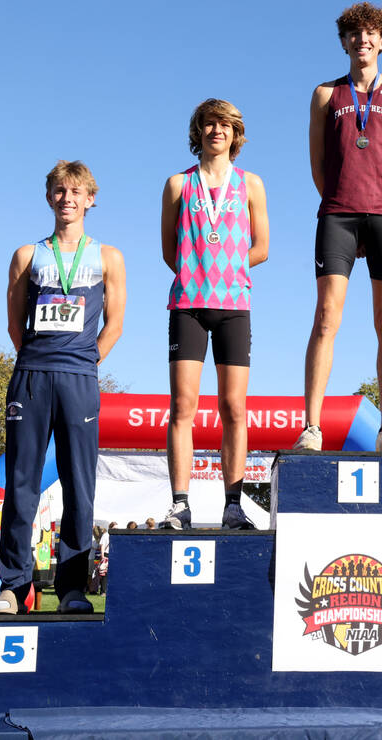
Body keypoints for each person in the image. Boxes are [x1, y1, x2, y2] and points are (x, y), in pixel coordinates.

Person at [0, 161, 126, 614]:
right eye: (60, 191)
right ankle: (13, 586)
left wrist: (84, 362)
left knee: (78, 485)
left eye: (76, 191)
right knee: (21, 483)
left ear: (91, 199)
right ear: (50, 198)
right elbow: (14, 322)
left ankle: (71, 589)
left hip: (79, 378)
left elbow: (115, 325)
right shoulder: (28, 254)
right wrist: (37, 360)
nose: (67, 198)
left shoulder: (108, 256)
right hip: (31, 376)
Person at [294, 2, 382, 452]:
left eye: (370, 34)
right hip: (338, 214)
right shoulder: (326, 94)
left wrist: (381, 201)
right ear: (344, 42)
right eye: (353, 34)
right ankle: (312, 426)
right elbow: (318, 163)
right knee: (327, 316)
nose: (362, 40)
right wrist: (345, 199)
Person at [158, 99, 269, 530]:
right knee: (182, 405)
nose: (216, 131)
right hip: (187, 304)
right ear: (198, 131)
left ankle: (233, 505)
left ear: (235, 133)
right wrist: (197, 271)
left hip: (234, 307)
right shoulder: (177, 185)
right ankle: (180, 505)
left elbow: (262, 247)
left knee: (233, 407)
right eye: (209, 124)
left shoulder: (251, 184)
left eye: (224, 124)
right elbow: (170, 250)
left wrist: (228, 270)